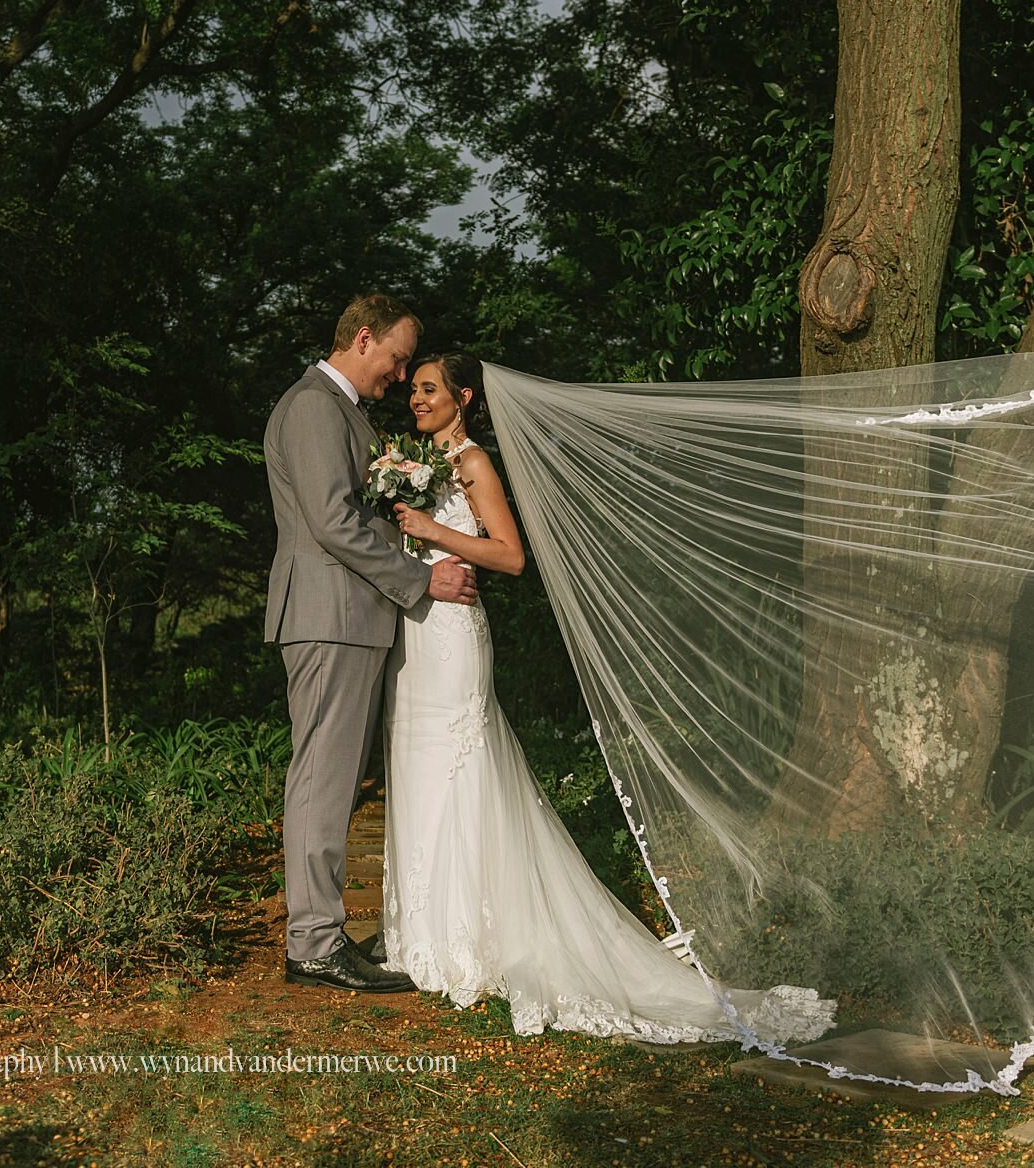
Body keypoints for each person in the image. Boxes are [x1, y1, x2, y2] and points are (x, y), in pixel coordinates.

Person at [378, 351, 835, 1044]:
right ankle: (422, 932)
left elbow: (510, 555)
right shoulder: (411, 463)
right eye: (413, 390)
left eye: (429, 389)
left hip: (455, 637)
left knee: (458, 768)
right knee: (416, 767)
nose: (417, 399)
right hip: (413, 633)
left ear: (463, 397)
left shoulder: (472, 463)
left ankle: (468, 936)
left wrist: (433, 533)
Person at [263, 295, 479, 993]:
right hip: (329, 617)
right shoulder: (313, 408)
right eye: (396, 356)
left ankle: (321, 934)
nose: (400, 372)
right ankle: (314, 944)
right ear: (363, 338)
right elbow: (331, 521)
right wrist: (418, 578)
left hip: (349, 617)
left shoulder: (342, 412)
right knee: (322, 779)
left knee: (333, 780)